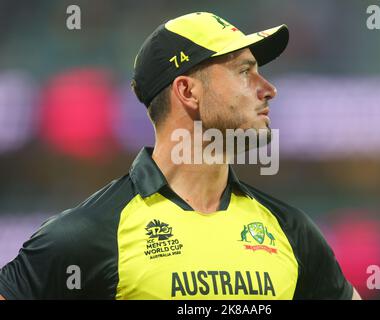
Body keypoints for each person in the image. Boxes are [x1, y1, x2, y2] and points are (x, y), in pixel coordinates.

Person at [0, 12, 361, 300]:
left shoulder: (291, 231)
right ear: (187, 91)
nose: (268, 89)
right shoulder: (88, 234)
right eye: (244, 72)